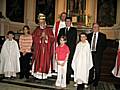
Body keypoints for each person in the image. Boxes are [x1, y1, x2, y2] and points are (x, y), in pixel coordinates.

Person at [31, 13, 54, 79]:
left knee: (45, 61)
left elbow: (53, 38)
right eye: (40, 22)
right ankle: (37, 75)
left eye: (43, 22)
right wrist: (40, 37)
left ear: (45, 22)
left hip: (46, 49)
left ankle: (45, 75)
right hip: (39, 49)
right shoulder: (37, 29)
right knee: (38, 61)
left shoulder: (49, 29)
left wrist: (47, 37)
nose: (42, 24)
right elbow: (33, 37)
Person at [58, 17, 77, 84]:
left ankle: (67, 79)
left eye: (68, 21)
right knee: (61, 65)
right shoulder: (61, 30)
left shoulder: (74, 30)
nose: (67, 22)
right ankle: (60, 79)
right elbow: (58, 39)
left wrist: (67, 49)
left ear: (71, 22)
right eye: (66, 21)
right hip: (61, 51)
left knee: (68, 65)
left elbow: (73, 41)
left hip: (69, 51)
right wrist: (61, 48)